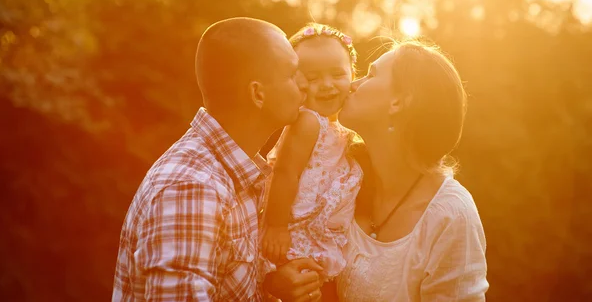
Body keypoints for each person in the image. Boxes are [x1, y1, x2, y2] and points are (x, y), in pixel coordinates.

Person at [112, 17, 323, 302]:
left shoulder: (235, 172)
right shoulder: (193, 188)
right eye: (291, 74)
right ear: (257, 94)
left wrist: (271, 284)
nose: (305, 85)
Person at [334, 40, 488, 301]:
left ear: (399, 102)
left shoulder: (451, 215)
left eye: (370, 75)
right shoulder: (338, 178)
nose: (352, 85)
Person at [262, 24, 363, 285]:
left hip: (319, 238)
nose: (327, 85)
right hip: (292, 233)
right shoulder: (308, 122)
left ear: (353, 73)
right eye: (313, 77)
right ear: (296, 80)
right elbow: (284, 173)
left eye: (337, 73)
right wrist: (276, 226)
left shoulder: (343, 129)